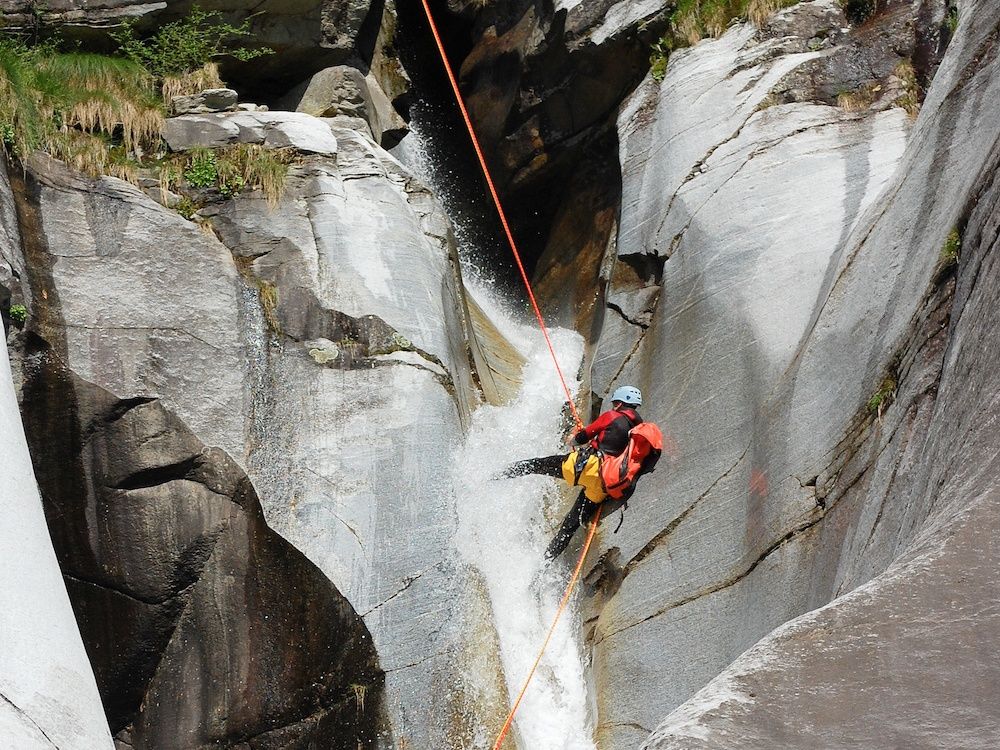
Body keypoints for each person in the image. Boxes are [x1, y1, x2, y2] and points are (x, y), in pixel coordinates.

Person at [498, 385, 659, 559]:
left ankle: (495, 476)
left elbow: (581, 438)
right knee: (570, 525)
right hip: (603, 486)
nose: (613, 406)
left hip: (585, 468)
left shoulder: (612, 416)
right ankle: (544, 565)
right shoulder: (639, 430)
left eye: (615, 403)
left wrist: (573, 438)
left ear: (620, 403)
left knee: (536, 465)